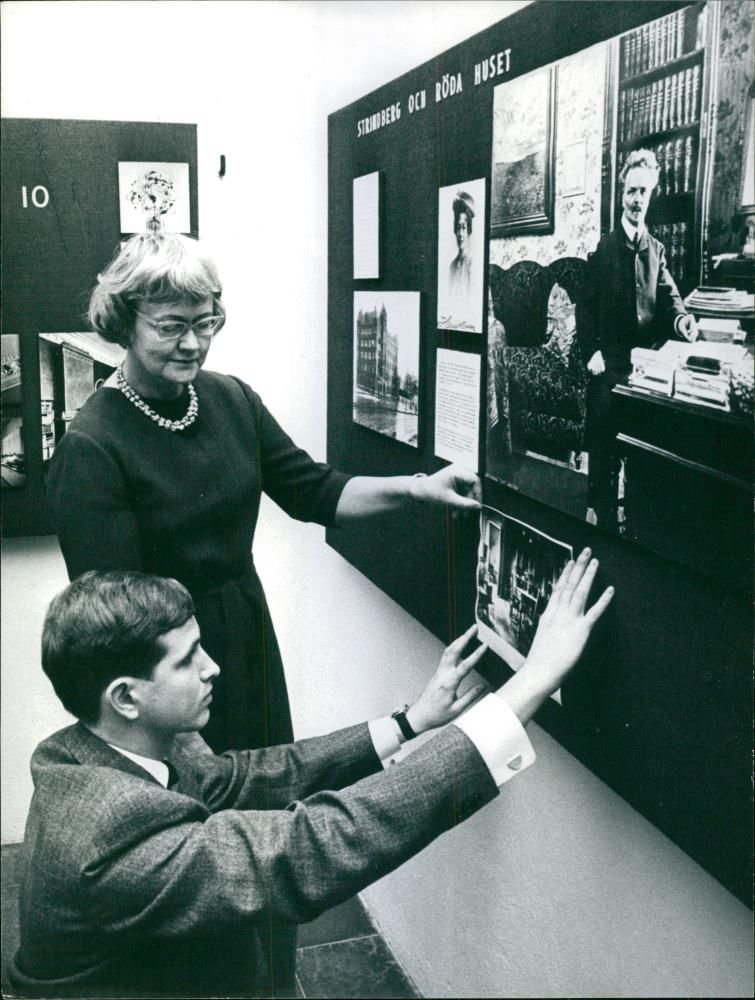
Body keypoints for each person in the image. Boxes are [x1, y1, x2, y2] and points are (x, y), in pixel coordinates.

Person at [8, 552, 612, 999]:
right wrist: (529, 686)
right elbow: (308, 849)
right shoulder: (106, 836)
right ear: (126, 697)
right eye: (188, 658)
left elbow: (245, 777)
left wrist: (411, 720)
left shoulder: (99, 748)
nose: (213, 667)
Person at [46, 232, 482, 757]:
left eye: (205, 322)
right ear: (123, 322)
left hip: (246, 635)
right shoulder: (92, 446)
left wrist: (420, 489)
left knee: (271, 790)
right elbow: (115, 626)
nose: (193, 344)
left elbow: (316, 492)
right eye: (171, 327)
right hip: (168, 670)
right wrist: (183, 742)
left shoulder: (232, 399)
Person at [581, 148, 698, 527]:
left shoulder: (657, 250)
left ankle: (638, 517)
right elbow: (585, 308)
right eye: (631, 191)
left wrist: (682, 322)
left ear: (651, 195)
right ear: (622, 193)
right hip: (609, 366)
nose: (636, 200)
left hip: (644, 368)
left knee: (648, 447)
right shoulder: (603, 249)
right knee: (603, 444)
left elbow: (671, 297)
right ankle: (599, 514)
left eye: (643, 192)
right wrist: (591, 351)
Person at [447, 190, 476, 326]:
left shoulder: (472, 264)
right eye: (458, 228)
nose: (460, 234)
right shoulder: (452, 266)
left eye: (464, 228)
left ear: (469, 230)